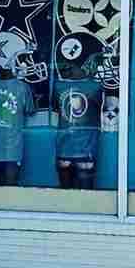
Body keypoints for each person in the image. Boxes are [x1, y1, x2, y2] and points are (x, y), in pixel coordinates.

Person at [52, 35, 102, 191]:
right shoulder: (95, 86)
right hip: (86, 147)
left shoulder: (58, 86)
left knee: (66, 194)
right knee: (85, 195)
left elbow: (58, 109)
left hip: (65, 146)